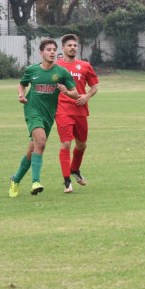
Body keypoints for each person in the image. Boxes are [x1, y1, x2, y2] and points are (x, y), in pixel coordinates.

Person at [9, 39, 78, 197]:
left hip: (48, 115)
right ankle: (35, 182)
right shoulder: (32, 70)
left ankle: (16, 179)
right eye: (48, 49)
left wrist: (66, 92)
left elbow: (75, 93)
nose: (52, 52)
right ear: (41, 53)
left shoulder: (61, 72)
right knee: (41, 142)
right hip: (32, 111)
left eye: (54, 49)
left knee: (33, 150)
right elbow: (22, 84)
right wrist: (21, 94)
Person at [55, 34, 100, 193]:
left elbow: (94, 87)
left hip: (80, 110)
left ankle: (75, 169)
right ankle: (67, 181)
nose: (72, 47)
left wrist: (86, 96)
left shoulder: (85, 66)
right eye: (69, 45)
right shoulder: (56, 67)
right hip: (62, 110)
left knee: (81, 145)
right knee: (66, 143)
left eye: (75, 45)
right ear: (63, 48)